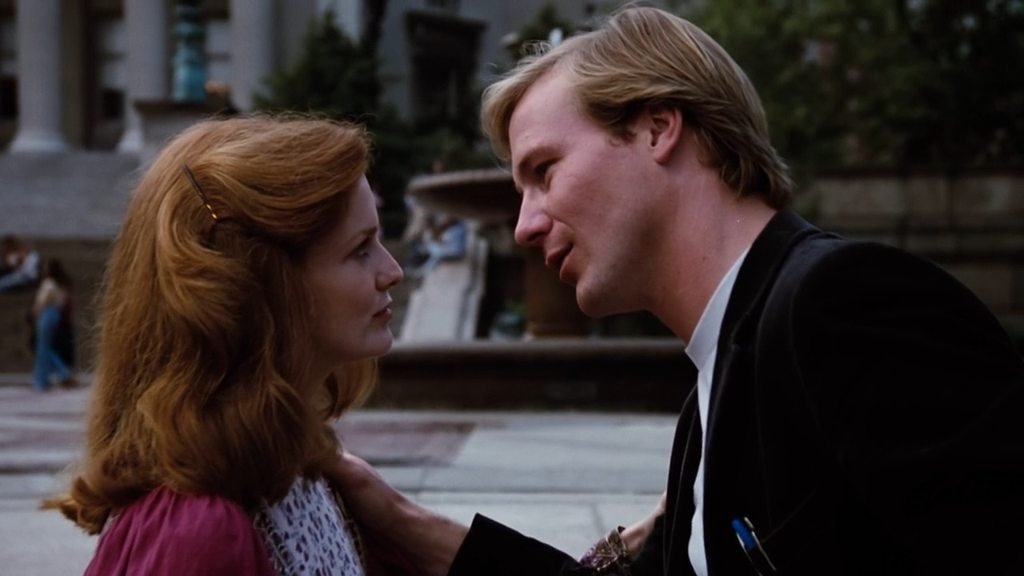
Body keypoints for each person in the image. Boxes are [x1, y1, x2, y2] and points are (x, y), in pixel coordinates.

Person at [327, 6, 1024, 576]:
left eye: (545, 171)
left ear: (658, 128)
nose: (524, 226)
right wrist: (398, 517)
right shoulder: (716, 384)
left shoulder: (842, 303)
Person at [45, 116, 403, 575]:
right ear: (265, 287)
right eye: (360, 249)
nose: (392, 271)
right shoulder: (198, 533)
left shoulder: (297, 473)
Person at [30, 257, 76, 391]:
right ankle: (58, 374)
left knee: (43, 348)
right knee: (45, 347)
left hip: (48, 313)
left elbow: (41, 302)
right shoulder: (59, 285)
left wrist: (35, 313)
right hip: (54, 314)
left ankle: (43, 380)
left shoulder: (49, 283)